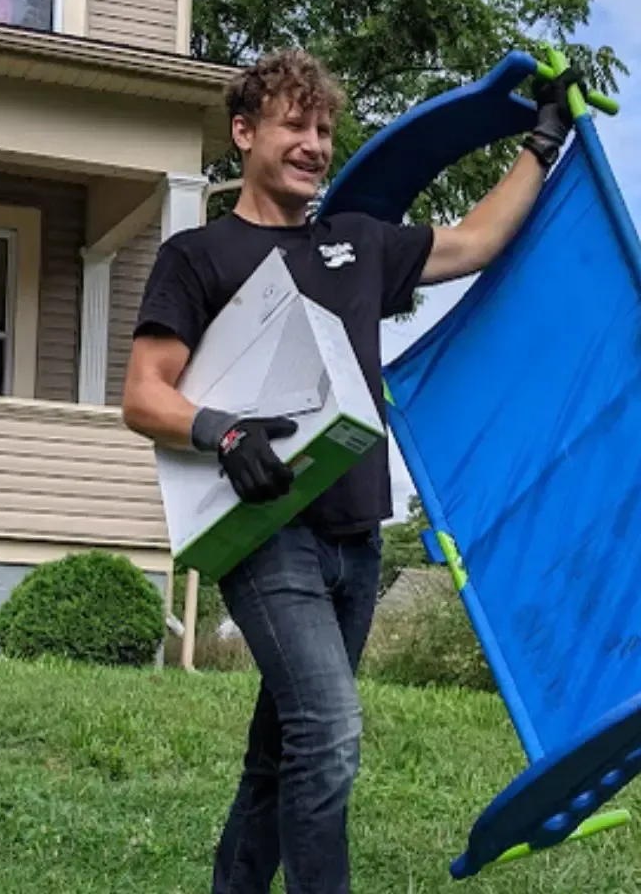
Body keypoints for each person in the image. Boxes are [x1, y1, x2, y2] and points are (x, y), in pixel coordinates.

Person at [121, 47, 583, 894]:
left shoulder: (358, 245)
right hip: (267, 537)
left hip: (357, 541)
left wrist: (542, 141)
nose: (314, 143)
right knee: (329, 735)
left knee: (283, 748)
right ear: (244, 132)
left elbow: (476, 241)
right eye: (294, 124)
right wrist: (220, 430)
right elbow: (145, 396)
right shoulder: (200, 255)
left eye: (325, 128)